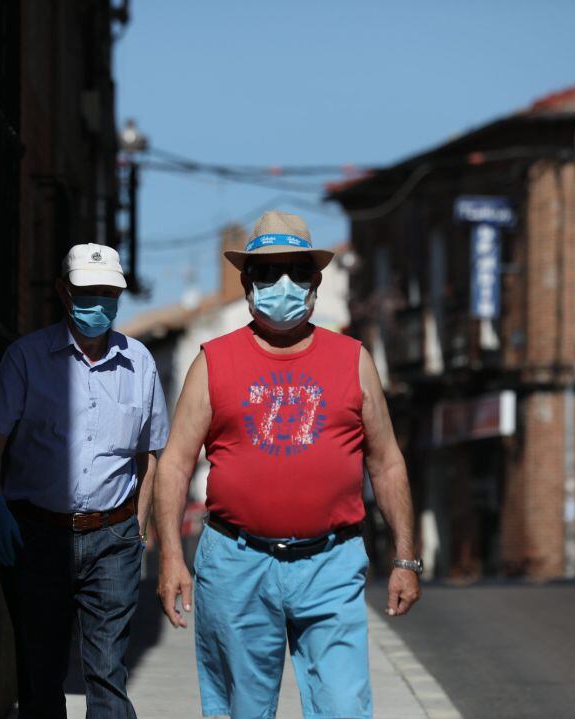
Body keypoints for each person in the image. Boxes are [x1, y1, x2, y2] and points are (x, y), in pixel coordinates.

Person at [154, 211, 421, 719]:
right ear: (246, 281)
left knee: (344, 708)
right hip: (236, 563)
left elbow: (386, 463)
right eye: (267, 272)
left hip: (331, 562)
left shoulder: (353, 359)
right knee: (244, 711)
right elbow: (174, 465)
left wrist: (405, 558)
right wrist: (171, 557)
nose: (283, 284)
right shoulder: (214, 361)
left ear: (316, 280)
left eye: (297, 271)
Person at [0, 243, 170, 719]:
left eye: (108, 292)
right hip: (36, 538)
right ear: (64, 292)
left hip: (112, 539)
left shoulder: (139, 363)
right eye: (88, 290)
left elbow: (152, 455)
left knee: (107, 671)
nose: (99, 301)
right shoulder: (26, 358)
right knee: (39, 675)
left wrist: (137, 527)